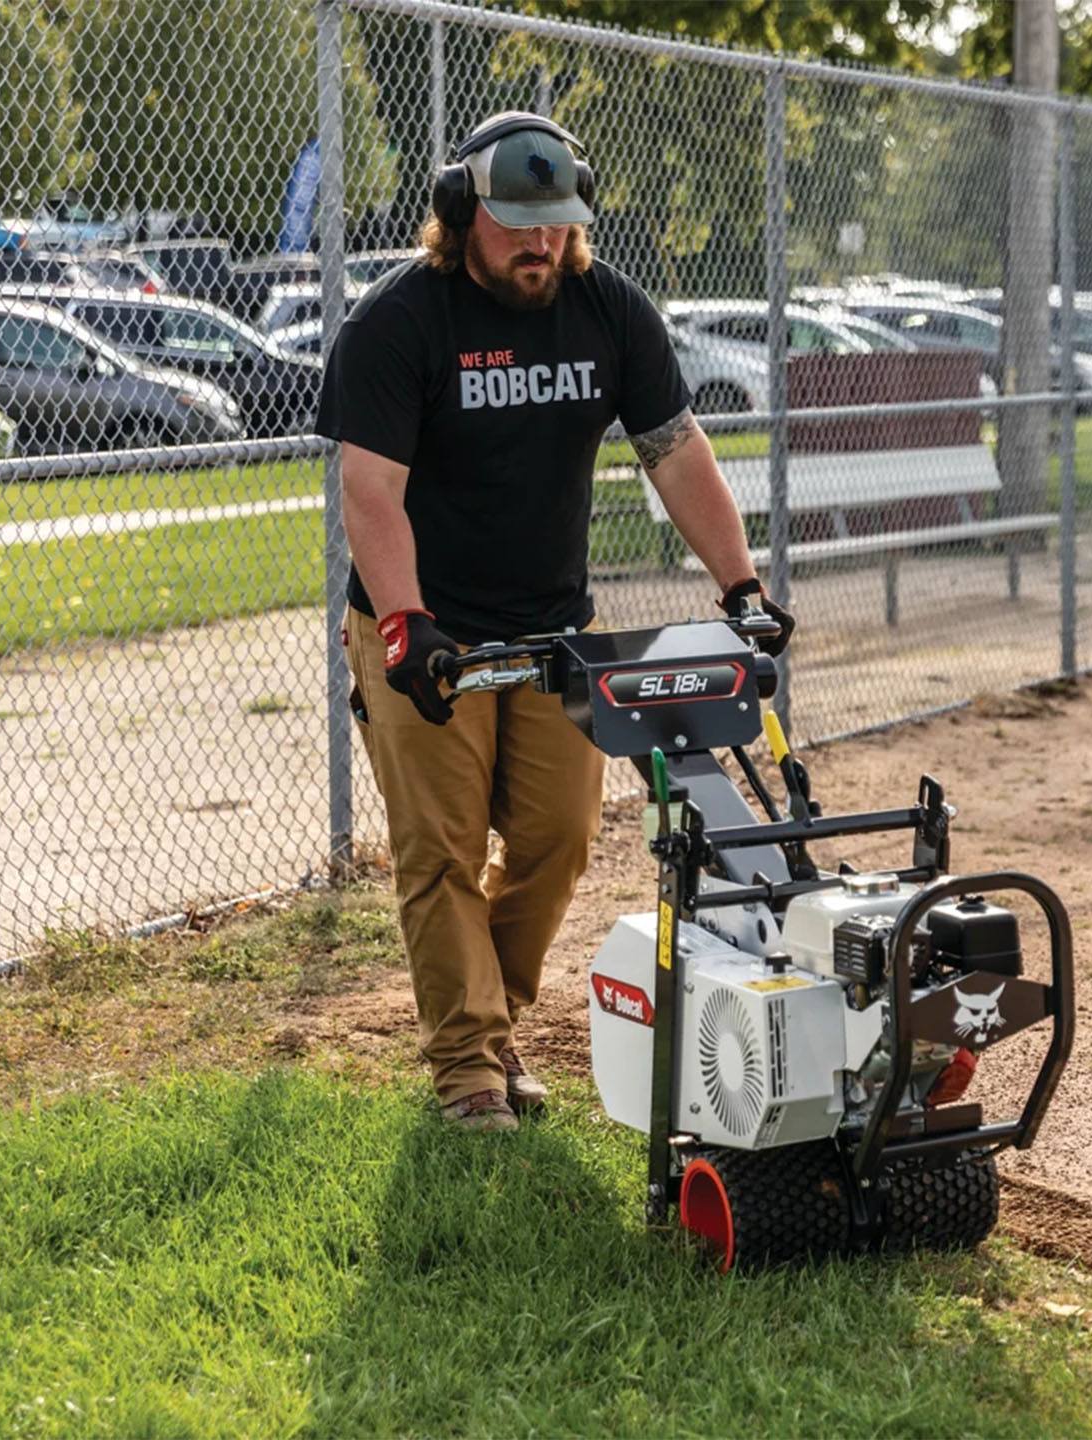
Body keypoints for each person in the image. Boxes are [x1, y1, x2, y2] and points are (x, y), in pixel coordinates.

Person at [316, 112, 792, 1133]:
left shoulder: (608, 309)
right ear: (460, 214)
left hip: (553, 631)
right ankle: (470, 1073)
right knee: (438, 851)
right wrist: (403, 625)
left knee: (559, 838)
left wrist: (741, 587)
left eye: (555, 224)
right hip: (426, 631)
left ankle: (490, 1018)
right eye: (514, 225)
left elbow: (673, 448)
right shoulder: (399, 322)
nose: (539, 244)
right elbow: (370, 491)